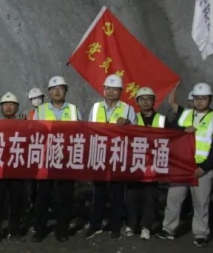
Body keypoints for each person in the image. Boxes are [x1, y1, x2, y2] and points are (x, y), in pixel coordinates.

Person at [157, 83, 213, 247]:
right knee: (174, 199)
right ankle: (168, 229)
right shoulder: (185, 114)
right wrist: (183, 130)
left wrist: (203, 168)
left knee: (201, 203)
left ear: (210, 99)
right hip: (182, 167)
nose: (200, 101)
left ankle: (201, 234)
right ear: (193, 99)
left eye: (204, 98)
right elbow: (172, 134)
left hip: (201, 169)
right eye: (197, 98)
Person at [85, 74, 136, 240]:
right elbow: (89, 130)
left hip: (118, 157)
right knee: (98, 193)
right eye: (108, 89)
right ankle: (95, 225)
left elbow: (136, 134)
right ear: (103, 90)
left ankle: (116, 227)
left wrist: (128, 123)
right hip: (99, 155)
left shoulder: (128, 109)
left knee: (117, 194)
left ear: (121, 91)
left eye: (115, 89)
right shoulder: (95, 107)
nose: (111, 92)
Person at [32, 75, 81, 243]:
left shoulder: (74, 110)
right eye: (53, 89)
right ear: (48, 92)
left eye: (61, 88)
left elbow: (80, 134)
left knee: (65, 196)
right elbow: (34, 134)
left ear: (66, 91)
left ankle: (62, 230)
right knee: (43, 197)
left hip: (67, 158)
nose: (57, 91)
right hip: (46, 159)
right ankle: (39, 230)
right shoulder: (40, 111)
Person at [126, 87, 165, 240]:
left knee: (149, 198)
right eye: (142, 99)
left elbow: (171, 140)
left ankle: (146, 227)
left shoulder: (162, 120)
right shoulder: (132, 119)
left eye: (149, 98)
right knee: (131, 197)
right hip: (135, 164)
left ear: (154, 101)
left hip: (152, 165)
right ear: (137, 102)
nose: (145, 101)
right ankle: (131, 225)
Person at [0, 92, 26, 243]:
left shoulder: (24, 123)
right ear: (1, 107)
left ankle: (14, 230)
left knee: (16, 202)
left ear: (17, 107)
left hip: (17, 167)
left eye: (11, 104)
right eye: (5, 104)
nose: (8, 107)